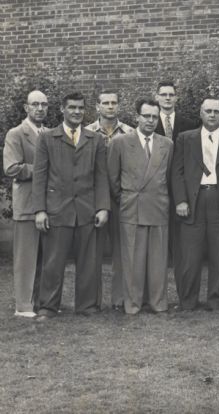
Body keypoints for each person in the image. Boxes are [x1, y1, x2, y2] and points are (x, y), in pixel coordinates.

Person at [32, 92, 110, 319]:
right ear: (62, 110)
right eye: (72, 108)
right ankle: (48, 305)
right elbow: (40, 176)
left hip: (87, 210)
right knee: (53, 261)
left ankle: (87, 306)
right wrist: (40, 210)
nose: (77, 112)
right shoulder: (47, 138)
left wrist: (103, 207)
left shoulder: (95, 139)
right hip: (57, 210)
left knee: (89, 262)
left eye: (80, 108)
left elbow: (101, 176)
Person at [171, 97, 219, 310]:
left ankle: (216, 299)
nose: (212, 115)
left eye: (217, 111)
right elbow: (177, 172)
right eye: (208, 111)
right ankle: (188, 300)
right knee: (190, 256)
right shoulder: (185, 138)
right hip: (194, 199)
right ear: (201, 113)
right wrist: (181, 200)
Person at [107, 98, 173, 315]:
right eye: (146, 116)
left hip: (158, 207)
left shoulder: (167, 144)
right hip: (132, 207)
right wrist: (128, 198)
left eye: (155, 117)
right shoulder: (120, 142)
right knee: (133, 260)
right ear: (137, 117)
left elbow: (169, 177)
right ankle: (133, 304)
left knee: (158, 260)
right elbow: (113, 180)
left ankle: (157, 303)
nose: (151, 121)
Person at [86, 90, 134, 311]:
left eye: (114, 102)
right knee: (92, 252)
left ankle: (119, 299)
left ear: (119, 106)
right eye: (105, 103)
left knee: (121, 251)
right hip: (93, 197)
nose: (110, 106)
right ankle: (92, 300)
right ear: (97, 107)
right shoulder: (86, 132)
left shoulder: (129, 132)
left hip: (121, 197)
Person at [3, 90, 48, 317]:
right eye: (35, 104)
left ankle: (41, 302)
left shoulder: (49, 133)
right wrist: (42, 171)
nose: (40, 109)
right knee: (26, 257)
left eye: (44, 105)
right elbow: (11, 168)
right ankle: (23, 305)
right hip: (26, 203)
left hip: (48, 205)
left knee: (44, 256)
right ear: (26, 108)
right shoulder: (16, 134)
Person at [153, 80, 197, 264]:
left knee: (180, 225)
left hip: (181, 183)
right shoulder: (149, 122)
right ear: (157, 97)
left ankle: (179, 258)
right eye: (164, 94)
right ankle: (159, 258)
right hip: (155, 182)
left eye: (171, 95)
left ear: (176, 98)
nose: (168, 98)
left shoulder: (188, 124)